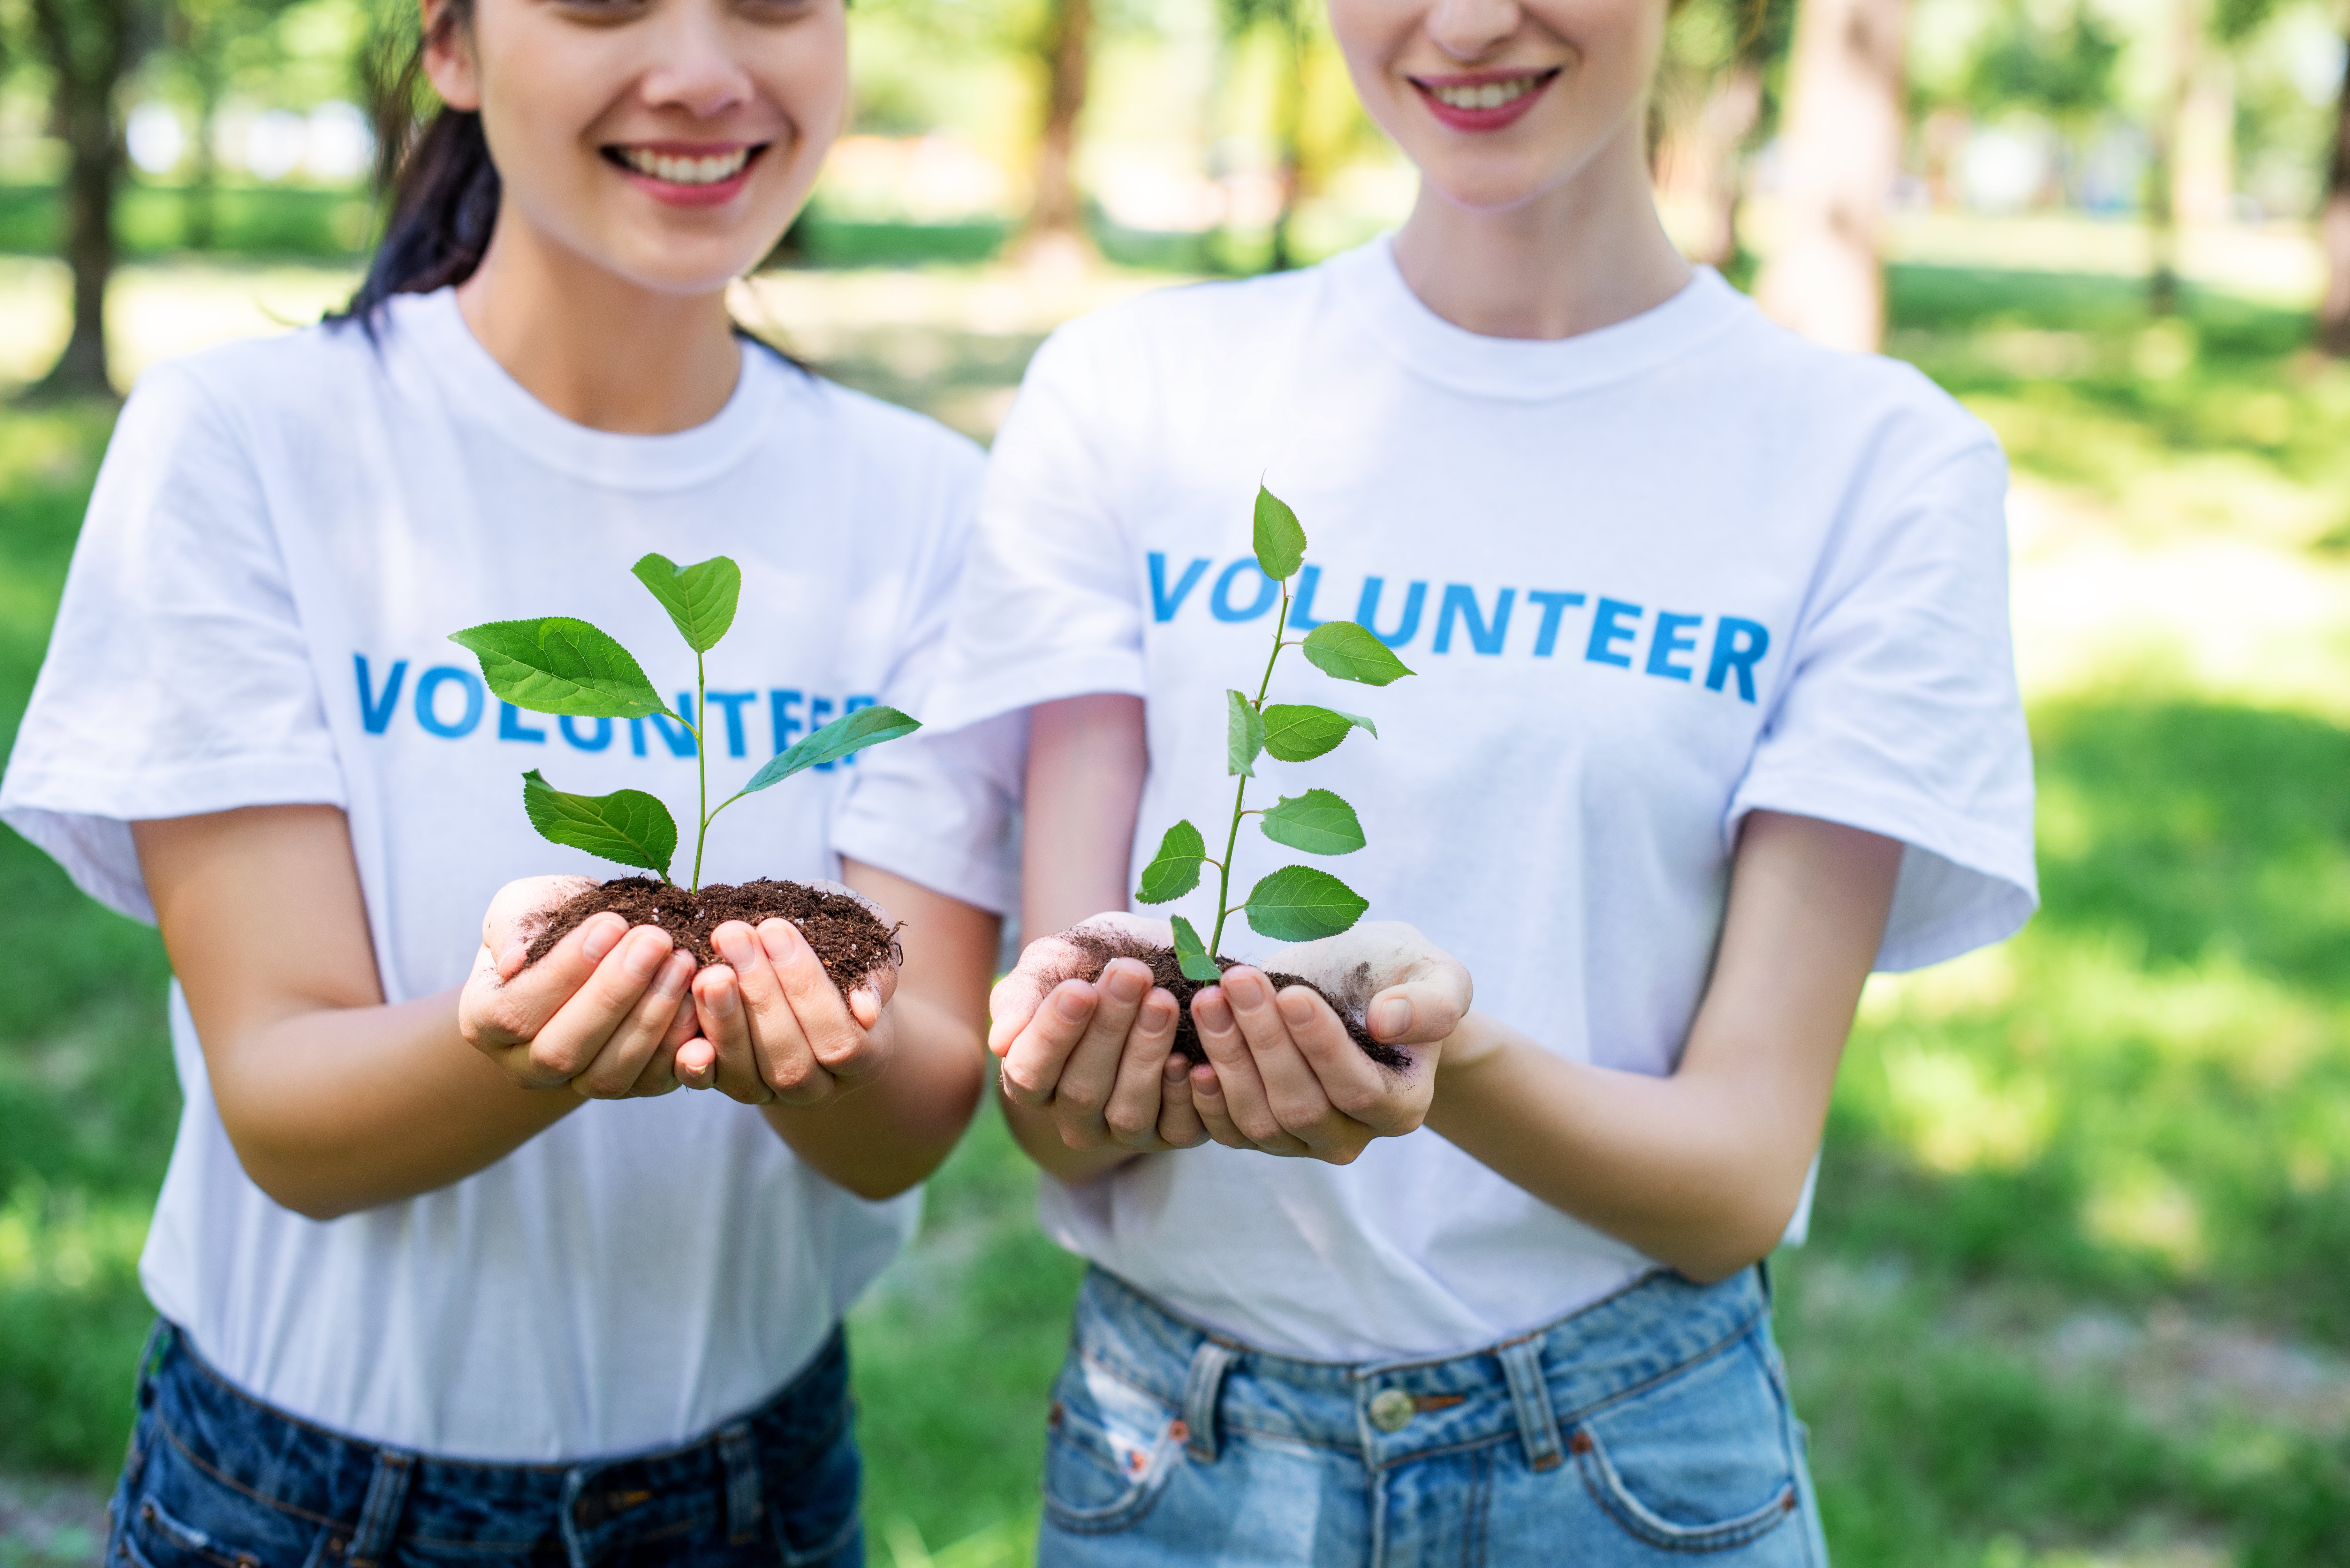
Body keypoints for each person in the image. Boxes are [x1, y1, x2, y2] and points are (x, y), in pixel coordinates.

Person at [892, 0, 2037, 1557]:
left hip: (1630, 1469)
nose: (1473, 22)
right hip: (1178, 1463)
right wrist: (1115, 1052)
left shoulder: (1875, 465)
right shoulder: (1130, 394)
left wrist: (1449, 1065)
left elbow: (1735, 1178)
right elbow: (1061, 1113)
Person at [0, 0, 1018, 1562]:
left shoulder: (932, 506)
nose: (700, 69)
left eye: (773, 2)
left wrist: (811, 1049)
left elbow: (921, 1096)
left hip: (754, 1491)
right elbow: (284, 1098)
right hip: (297, 1499)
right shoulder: (247, 446)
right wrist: (528, 1043)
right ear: (453, 47)